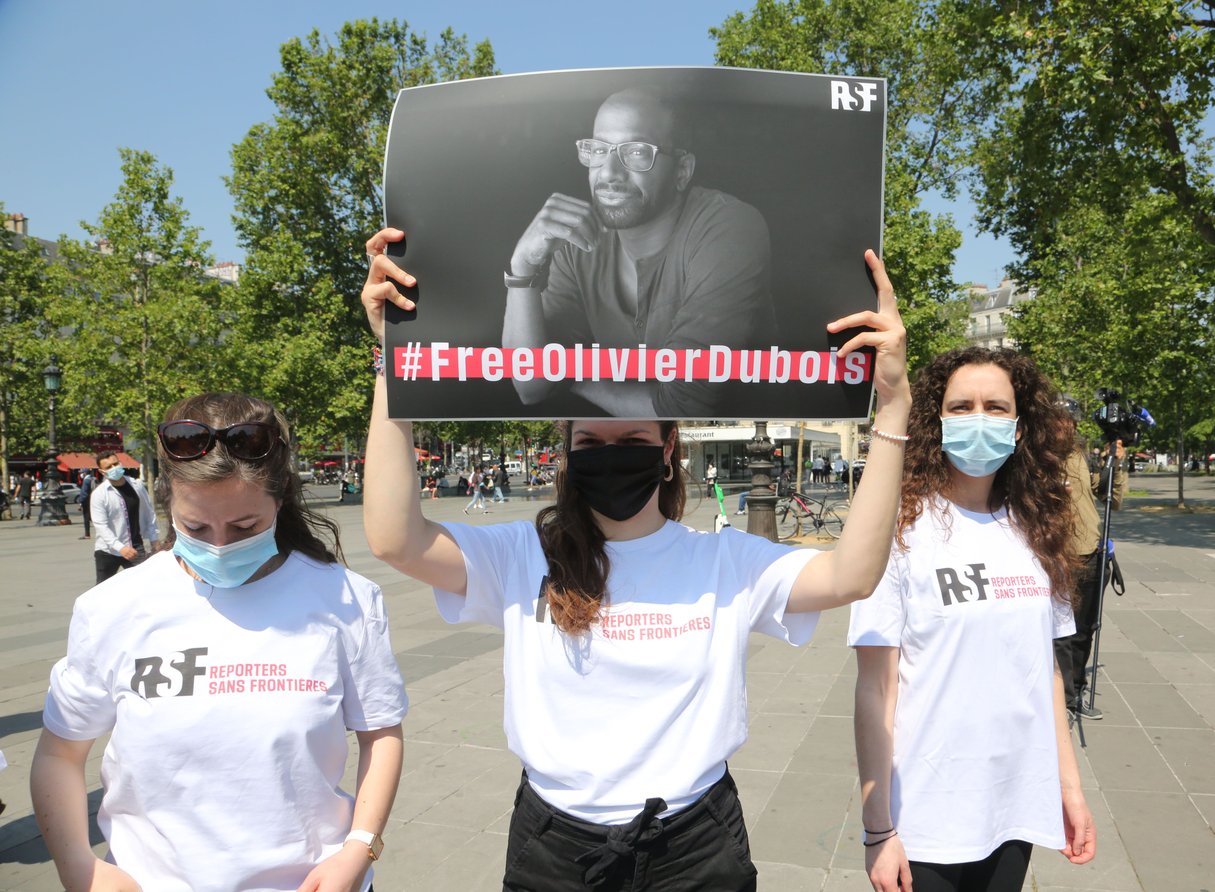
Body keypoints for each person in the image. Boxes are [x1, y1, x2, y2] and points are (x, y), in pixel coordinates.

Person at [364, 227, 909, 890]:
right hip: (554, 848)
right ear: (567, 452)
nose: (610, 450)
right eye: (590, 439)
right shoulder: (518, 554)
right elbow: (395, 538)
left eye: (630, 437)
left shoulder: (724, 561)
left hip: (696, 845)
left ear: (666, 445)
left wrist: (893, 401)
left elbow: (850, 574)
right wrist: (393, 365)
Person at [31, 392, 406, 892]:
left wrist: (360, 848)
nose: (219, 545)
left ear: (281, 497)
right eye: (195, 526)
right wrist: (79, 866)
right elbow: (60, 753)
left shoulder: (347, 600)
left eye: (245, 526)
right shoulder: (112, 608)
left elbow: (380, 733)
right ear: (167, 499)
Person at [848, 346, 1096, 892]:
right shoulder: (896, 532)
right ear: (934, 421)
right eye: (961, 406)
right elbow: (874, 689)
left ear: (1020, 423)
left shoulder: (1037, 530)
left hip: (1015, 807)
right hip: (925, 819)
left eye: (996, 406)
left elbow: (1046, 673)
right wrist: (878, 828)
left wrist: (1069, 789)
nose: (979, 418)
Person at [501, 88, 776, 417]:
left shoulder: (728, 226)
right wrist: (523, 268)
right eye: (599, 150)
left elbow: (685, 407)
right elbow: (531, 384)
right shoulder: (578, 245)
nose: (609, 174)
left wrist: (573, 377)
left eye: (636, 152)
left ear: (682, 171)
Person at [1056, 403, 1127, 721]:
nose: (1065, 428)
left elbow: (1110, 496)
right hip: (1057, 556)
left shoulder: (1080, 457)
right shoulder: (1033, 458)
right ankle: (1063, 699)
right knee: (1060, 632)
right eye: (1058, 421)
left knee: (1085, 629)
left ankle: (1076, 692)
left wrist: (1116, 464)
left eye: (1070, 422)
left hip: (1092, 554)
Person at [90, 452, 159, 584]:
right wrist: (120, 547)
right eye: (109, 467)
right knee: (103, 591)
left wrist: (154, 539)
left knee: (144, 586)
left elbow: (149, 514)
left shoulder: (136, 485)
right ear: (102, 471)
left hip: (135, 548)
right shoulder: (99, 494)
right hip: (108, 551)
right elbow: (101, 526)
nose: (114, 468)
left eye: (115, 464)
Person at [78, 466, 96, 539]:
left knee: (86, 518)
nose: (81, 474)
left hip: (87, 502)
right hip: (94, 500)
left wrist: (80, 502)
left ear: (84, 473)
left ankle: (87, 534)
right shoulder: (93, 479)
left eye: (81, 473)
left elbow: (84, 493)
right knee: (93, 517)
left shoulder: (86, 480)